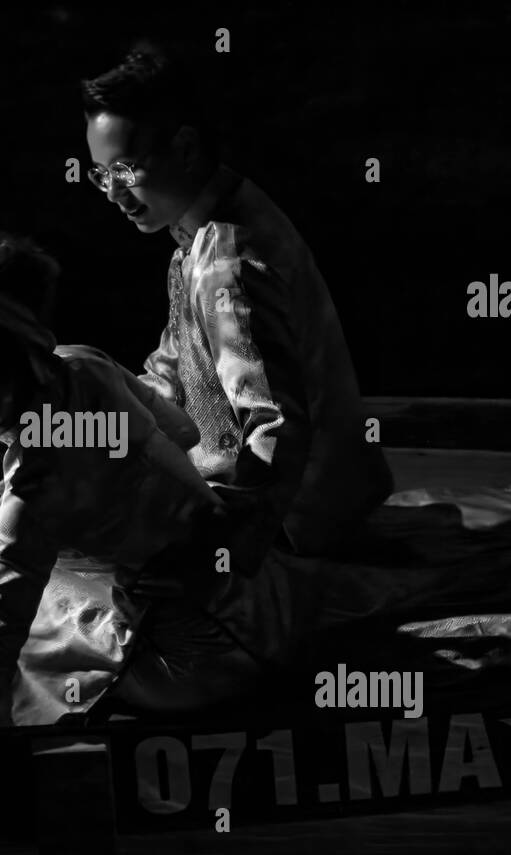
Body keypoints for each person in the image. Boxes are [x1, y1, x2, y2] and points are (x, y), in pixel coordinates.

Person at [0, 242, 319, 800]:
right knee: (25, 602)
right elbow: (184, 433)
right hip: (248, 589)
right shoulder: (82, 363)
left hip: (194, 652)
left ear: (3, 378)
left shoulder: (36, 488)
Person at [81, 40, 395, 577]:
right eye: (100, 174)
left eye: (126, 170)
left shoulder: (228, 260)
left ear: (184, 147)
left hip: (287, 532)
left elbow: (275, 428)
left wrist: (228, 553)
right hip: (261, 507)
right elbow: (171, 371)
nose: (113, 193)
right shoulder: (203, 231)